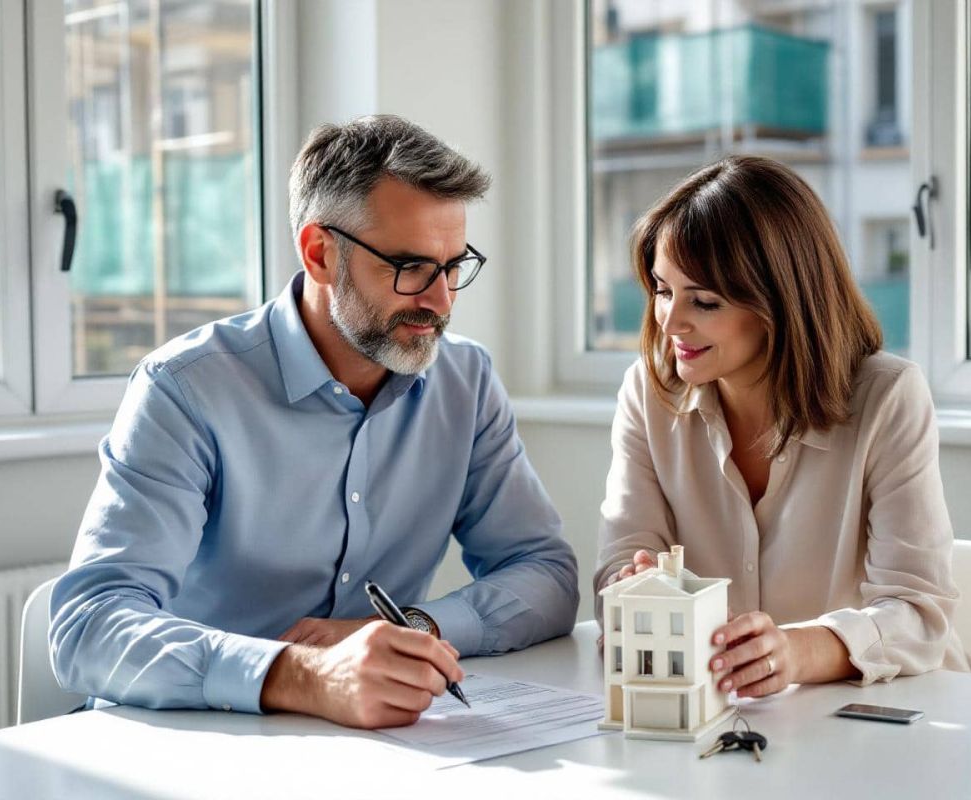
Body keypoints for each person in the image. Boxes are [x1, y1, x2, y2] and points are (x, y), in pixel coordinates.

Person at [51, 115, 579, 729]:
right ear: (320, 254)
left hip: (368, 745)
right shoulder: (186, 388)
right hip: (194, 738)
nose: (440, 301)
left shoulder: (466, 380)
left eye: (453, 266)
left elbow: (546, 576)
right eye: (410, 267)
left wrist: (407, 629)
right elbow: (89, 626)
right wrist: (303, 674)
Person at [594, 155, 967, 699]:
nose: (669, 321)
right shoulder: (649, 392)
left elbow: (918, 612)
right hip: (730, 716)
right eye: (662, 289)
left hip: (888, 707)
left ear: (780, 301)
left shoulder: (887, 396)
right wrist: (632, 589)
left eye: (704, 301)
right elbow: (621, 558)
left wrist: (796, 652)